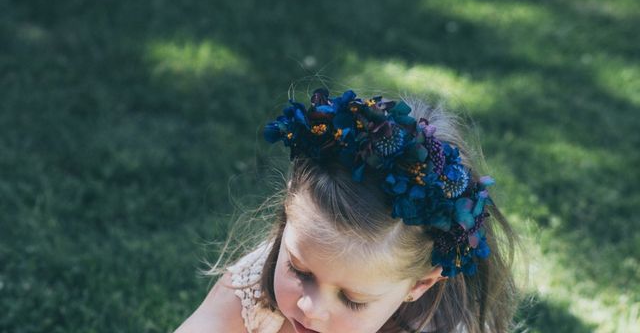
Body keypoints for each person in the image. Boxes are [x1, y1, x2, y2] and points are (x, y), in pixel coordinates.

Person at [175, 88, 518, 333]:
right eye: (300, 271)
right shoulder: (250, 291)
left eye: (352, 300)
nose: (310, 309)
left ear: (421, 285)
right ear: (285, 219)